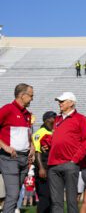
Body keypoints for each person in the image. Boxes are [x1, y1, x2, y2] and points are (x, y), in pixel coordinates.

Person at [47, 92, 86, 213]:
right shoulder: (57, 119)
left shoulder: (80, 118)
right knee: (56, 202)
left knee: (72, 201)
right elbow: (58, 138)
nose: (59, 103)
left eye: (62, 101)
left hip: (69, 164)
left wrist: (75, 160)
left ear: (71, 103)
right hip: (53, 164)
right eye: (59, 101)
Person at [0, 83, 35, 213]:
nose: (32, 99)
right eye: (31, 96)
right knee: (13, 194)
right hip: (9, 158)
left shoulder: (27, 114)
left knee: (15, 195)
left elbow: (27, 133)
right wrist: (4, 146)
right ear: (22, 95)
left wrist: (31, 145)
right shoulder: (8, 109)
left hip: (24, 159)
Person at [32, 110, 56, 213]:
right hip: (43, 169)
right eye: (53, 118)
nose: (55, 120)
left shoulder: (54, 132)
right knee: (44, 198)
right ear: (47, 120)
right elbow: (37, 152)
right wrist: (41, 168)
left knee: (53, 199)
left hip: (53, 169)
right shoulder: (39, 133)